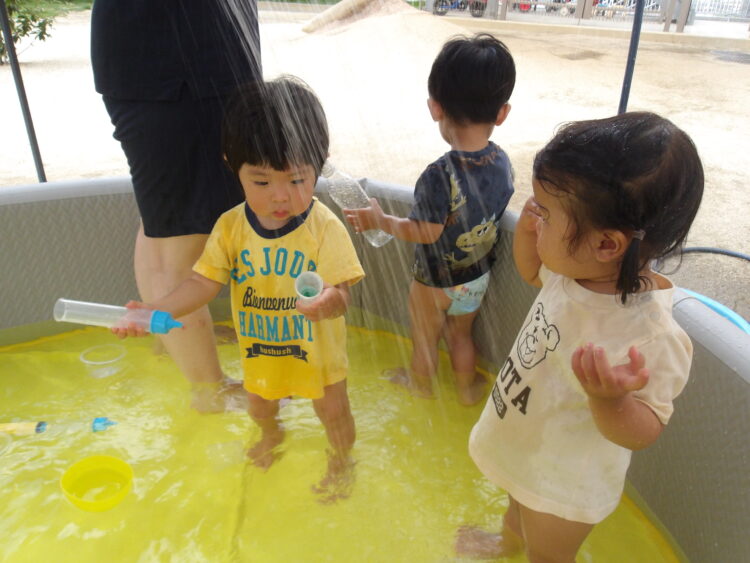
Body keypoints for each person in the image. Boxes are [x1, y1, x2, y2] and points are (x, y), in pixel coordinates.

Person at [456, 112, 704, 562]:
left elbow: (646, 430)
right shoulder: (575, 273)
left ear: (607, 245)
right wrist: (530, 232)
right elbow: (531, 270)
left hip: (565, 482)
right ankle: (507, 543)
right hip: (528, 447)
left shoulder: (650, 336)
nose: (536, 219)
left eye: (547, 215)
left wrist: (611, 401)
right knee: (515, 512)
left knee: (548, 556)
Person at [113, 76, 365, 502]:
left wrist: (328, 302)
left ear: (319, 166)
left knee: (334, 411)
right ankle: (272, 434)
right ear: (233, 165)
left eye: (297, 180)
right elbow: (202, 282)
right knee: (259, 406)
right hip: (262, 350)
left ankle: (342, 461)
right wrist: (155, 310)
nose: (280, 197)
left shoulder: (324, 228)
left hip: (317, 355)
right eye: (262, 182)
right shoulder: (231, 227)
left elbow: (342, 294)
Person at [90, 0, 262, 412]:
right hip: (176, 68)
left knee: (166, 217)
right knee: (181, 228)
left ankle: (177, 340)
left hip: (177, 60)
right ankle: (209, 390)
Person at [343, 33, 516, 406]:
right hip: (475, 278)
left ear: (435, 107)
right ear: (502, 113)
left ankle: (419, 386)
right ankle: (467, 390)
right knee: (461, 337)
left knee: (424, 339)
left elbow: (426, 232)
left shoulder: (440, 174)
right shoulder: (503, 163)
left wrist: (380, 220)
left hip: (433, 282)